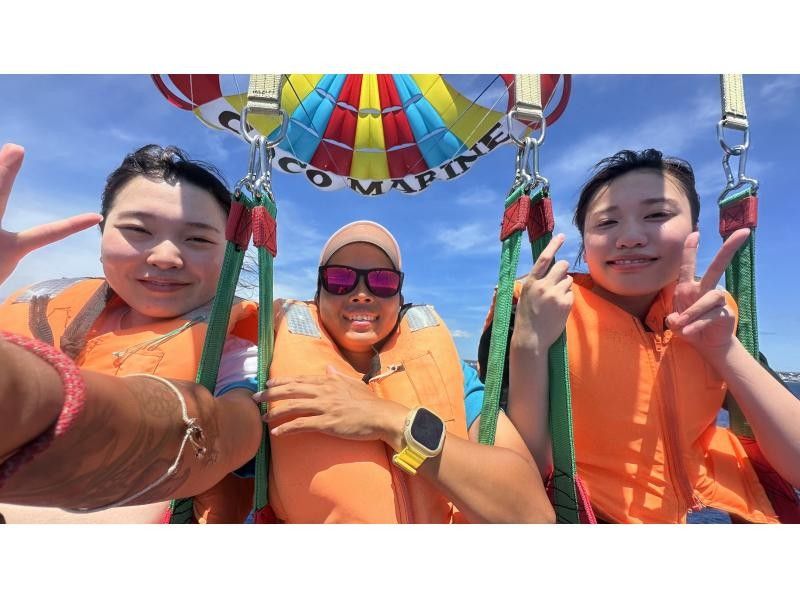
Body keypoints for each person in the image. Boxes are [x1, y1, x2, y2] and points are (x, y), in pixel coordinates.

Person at [481, 148, 800, 523]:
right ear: (585, 241)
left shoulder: (714, 314)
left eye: (657, 215)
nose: (630, 237)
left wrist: (724, 349)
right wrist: (529, 344)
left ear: (693, 231)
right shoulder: (530, 311)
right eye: (607, 223)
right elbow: (518, 485)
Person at [0, 142, 261, 523]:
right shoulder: (43, 304)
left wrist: (24, 400)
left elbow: (229, 433)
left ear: (231, 253)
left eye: (198, 239)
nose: (165, 257)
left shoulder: (236, 355)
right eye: (138, 230)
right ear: (102, 234)